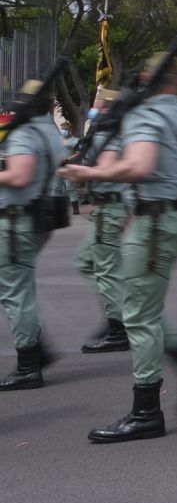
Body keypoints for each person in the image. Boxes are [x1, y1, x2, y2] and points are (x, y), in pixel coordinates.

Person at [62, 57, 177, 441]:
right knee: (143, 307)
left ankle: (146, 411)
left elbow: (141, 165)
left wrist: (90, 172)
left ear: (149, 79)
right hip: (174, 219)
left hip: (155, 223)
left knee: (138, 315)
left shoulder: (148, 115)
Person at [0, 79, 67, 391]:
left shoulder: (26, 132)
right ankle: (38, 349)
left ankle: (29, 364)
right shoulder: (49, 130)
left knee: (16, 292)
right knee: (17, 287)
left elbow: (19, 175)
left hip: (16, 220)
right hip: (34, 217)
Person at [74, 86, 131, 354]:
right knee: (87, 262)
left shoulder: (109, 131)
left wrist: (81, 172)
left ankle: (119, 327)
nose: (92, 109)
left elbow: (109, 170)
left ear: (106, 106)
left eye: (96, 104)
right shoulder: (110, 130)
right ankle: (115, 313)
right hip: (109, 207)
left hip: (111, 207)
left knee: (107, 270)